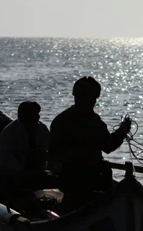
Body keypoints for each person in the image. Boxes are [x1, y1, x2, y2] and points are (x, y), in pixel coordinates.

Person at [48, 76, 132, 211]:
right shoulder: (87, 121)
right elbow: (108, 146)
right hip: (78, 180)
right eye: (89, 97)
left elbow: (107, 145)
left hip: (84, 179)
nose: (92, 101)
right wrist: (121, 132)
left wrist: (121, 132)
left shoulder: (63, 120)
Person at [0, 101, 51, 206]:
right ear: (23, 116)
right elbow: (7, 160)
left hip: (37, 173)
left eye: (38, 114)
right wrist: (24, 173)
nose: (38, 117)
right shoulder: (9, 133)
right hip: (10, 175)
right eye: (34, 115)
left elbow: (49, 150)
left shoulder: (42, 129)